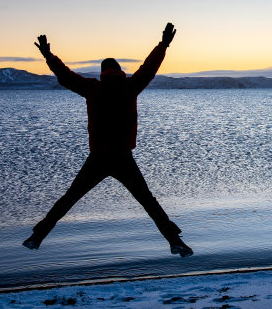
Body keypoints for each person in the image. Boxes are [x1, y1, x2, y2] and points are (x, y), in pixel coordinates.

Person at [23, 23, 193, 257]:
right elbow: (149, 68)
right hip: (123, 157)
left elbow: (65, 76)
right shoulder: (129, 87)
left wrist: (48, 56)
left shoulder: (92, 88)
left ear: (102, 73)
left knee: (69, 198)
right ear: (119, 71)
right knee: (148, 202)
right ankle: (175, 241)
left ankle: (37, 237)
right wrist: (163, 44)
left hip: (99, 157)